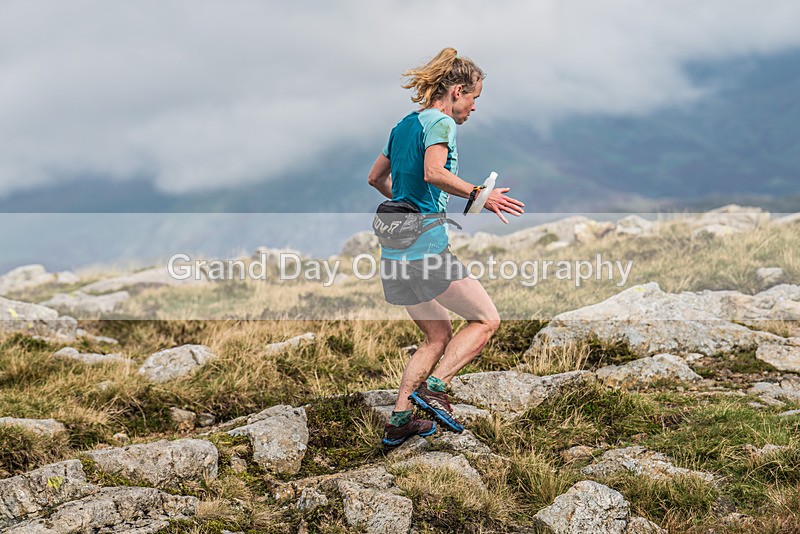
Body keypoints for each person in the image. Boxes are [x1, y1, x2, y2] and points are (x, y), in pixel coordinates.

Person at [367, 47, 525, 446]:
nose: (474, 108)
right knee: (486, 320)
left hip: (395, 252)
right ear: (457, 91)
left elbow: (376, 178)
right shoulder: (440, 122)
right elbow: (434, 172)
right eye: (474, 98)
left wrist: (409, 203)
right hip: (426, 250)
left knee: (436, 336)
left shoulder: (403, 125)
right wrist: (479, 195)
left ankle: (400, 418)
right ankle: (434, 387)